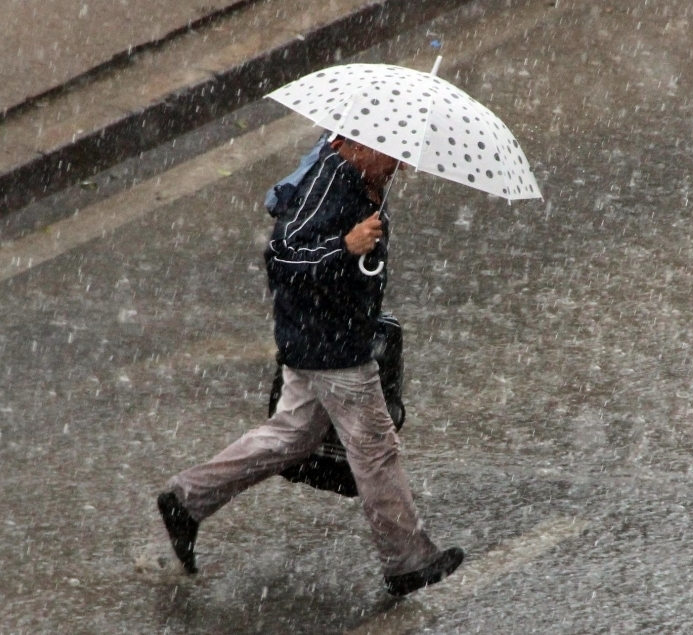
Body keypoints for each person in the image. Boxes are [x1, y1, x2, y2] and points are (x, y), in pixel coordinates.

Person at [157, 135, 464, 596]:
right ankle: (407, 560)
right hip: (330, 345)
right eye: (392, 153)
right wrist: (346, 246)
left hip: (323, 337)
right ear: (355, 143)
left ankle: (187, 498)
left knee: (292, 435)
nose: (400, 165)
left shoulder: (355, 178)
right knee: (375, 448)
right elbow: (281, 257)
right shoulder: (328, 182)